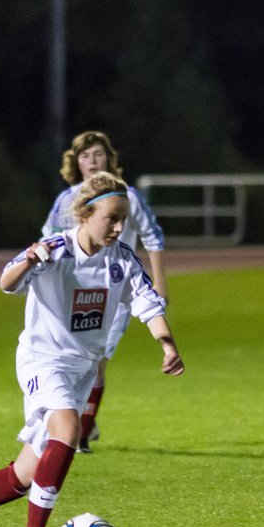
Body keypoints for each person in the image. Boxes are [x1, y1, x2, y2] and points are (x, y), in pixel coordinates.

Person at [0, 171, 183, 527]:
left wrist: (166, 343)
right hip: (43, 361)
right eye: (111, 218)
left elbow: (147, 302)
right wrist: (29, 258)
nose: (117, 227)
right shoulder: (56, 249)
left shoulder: (122, 259)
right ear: (85, 213)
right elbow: (7, 282)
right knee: (68, 431)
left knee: (24, 476)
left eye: (123, 220)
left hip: (82, 370)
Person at [41, 130, 167, 452]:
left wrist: (160, 285)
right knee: (73, 358)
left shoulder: (130, 198)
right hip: (71, 295)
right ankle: (73, 421)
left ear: (109, 158)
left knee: (97, 359)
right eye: (85, 156)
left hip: (116, 293)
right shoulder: (65, 201)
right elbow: (47, 243)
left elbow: (153, 238)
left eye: (98, 154)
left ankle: (80, 431)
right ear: (76, 163)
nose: (92, 162)